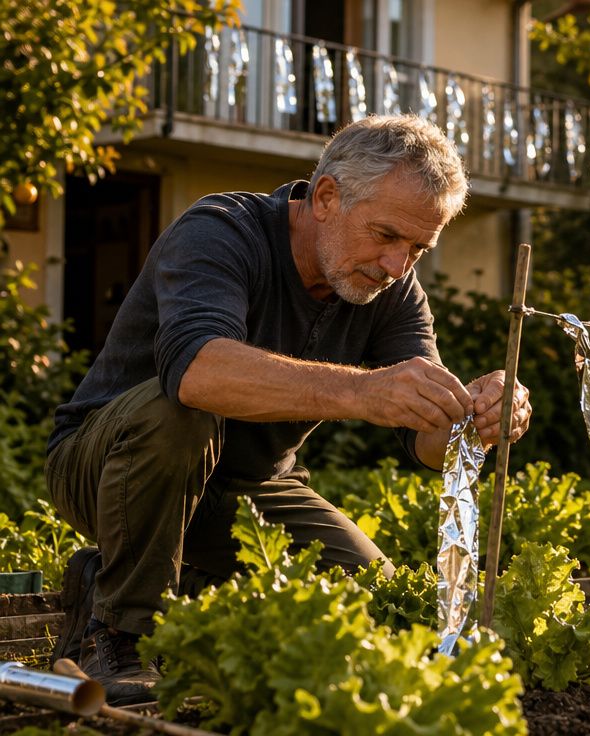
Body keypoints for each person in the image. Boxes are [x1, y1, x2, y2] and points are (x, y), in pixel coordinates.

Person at [44, 114, 532, 705]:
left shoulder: (394, 290)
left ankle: (128, 581)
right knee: (182, 412)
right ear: (326, 197)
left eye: (417, 248)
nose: (396, 265)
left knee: (372, 605)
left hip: (252, 487)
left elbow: (427, 442)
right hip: (107, 470)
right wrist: (364, 392)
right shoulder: (220, 230)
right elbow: (198, 372)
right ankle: (118, 631)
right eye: (385, 235)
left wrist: (472, 420)